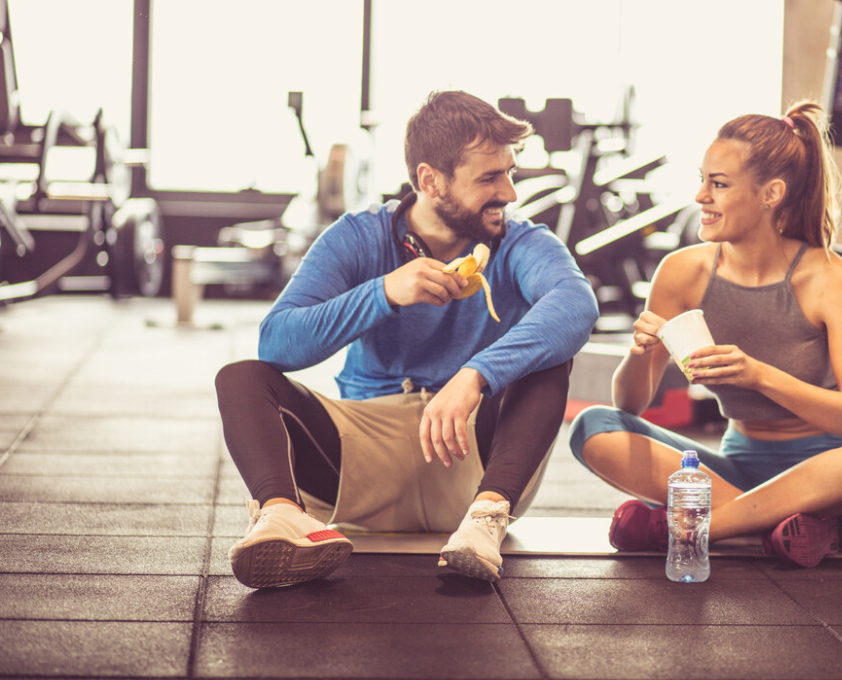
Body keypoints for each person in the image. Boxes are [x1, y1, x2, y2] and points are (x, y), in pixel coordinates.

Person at [216, 90, 599, 588]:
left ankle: (485, 522)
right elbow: (276, 343)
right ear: (429, 180)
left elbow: (577, 304)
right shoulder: (359, 237)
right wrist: (385, 293)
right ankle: (282, 518)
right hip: (361, 461)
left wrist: (475, 374)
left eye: (510, 173)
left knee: (550, 356)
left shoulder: (521, 242)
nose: (509, 192)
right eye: (489, 177)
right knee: (242, 377)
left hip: (476, 465)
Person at [568, 102, 842, 567]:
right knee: (594, 427)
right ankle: (770, 529)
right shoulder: (680, 273)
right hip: (736, 472)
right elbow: (630, 406)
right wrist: (638, 352)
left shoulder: (831, 278)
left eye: (719, 184)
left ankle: (701, 529)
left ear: (771, 193)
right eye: (702, 180)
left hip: (830, 484)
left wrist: (759, 376)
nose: (700, 197)